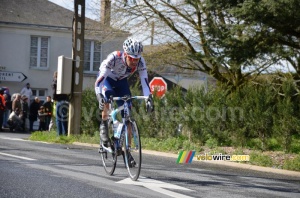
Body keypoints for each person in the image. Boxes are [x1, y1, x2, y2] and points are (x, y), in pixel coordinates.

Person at [94, 38, 154, 159]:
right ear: (126, 54)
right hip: (107, 80)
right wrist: (99, 95)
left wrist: (148, 98)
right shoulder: (114, 58)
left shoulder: (141, 62)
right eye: (132, 58)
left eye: (136, 59)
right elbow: (99, 82)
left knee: (128, 114)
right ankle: (104, 125)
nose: (134, 62)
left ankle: (128, 150)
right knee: (107, 99)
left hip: (121, 82)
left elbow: (145, 81)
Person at [52, 71, 69, 136]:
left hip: (59, 100)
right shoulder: (64, 81)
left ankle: (59, 134)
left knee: (58, 119)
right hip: (66, 100)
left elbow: (54, 91)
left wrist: (54, 99)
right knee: (64, 118)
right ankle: (65, 133)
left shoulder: (55, 81)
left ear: (55, 75)